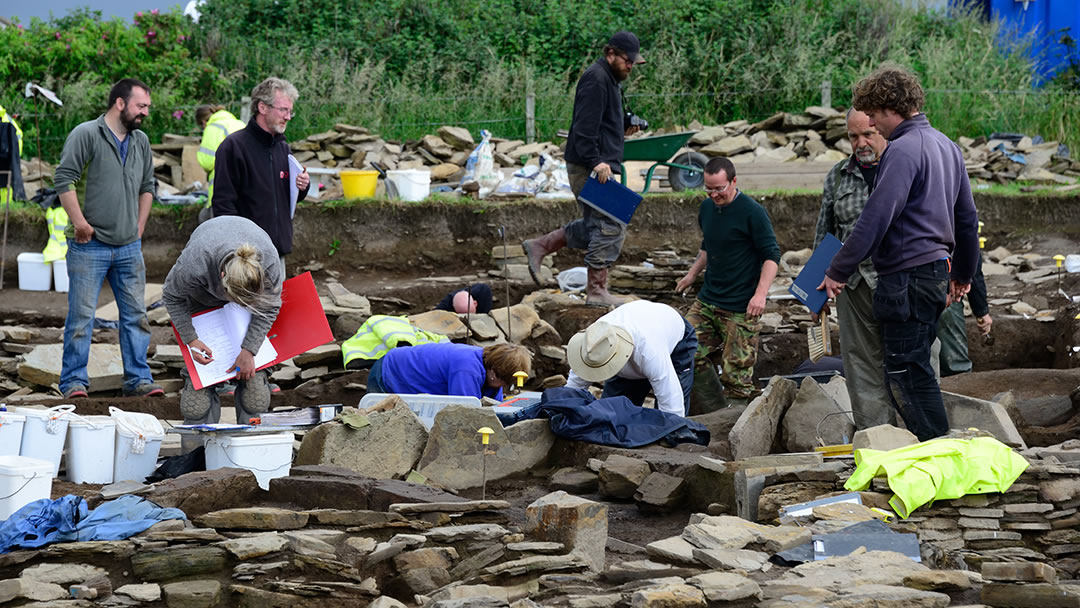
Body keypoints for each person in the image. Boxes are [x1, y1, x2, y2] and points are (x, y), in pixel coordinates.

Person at [820, 65, 979, 442]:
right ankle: (930, 445)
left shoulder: (904, 150)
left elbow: (876, 217)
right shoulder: (946, 146)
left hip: (905, 277)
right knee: (916, 365)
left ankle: (936, 447)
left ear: (890, 107)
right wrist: (963, 273)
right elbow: (967, 219)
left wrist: (838, 270)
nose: (873, 124)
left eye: (873, 116)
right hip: (935, 273)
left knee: (906, 369)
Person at [54, 78, 162, 399]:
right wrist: (80, 223)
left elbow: (148, 187)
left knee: (135, 317)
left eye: (147, 108)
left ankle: (138, 380)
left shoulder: (140, 141)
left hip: (128, 247)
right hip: (90, 246)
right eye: (140, 106)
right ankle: (73, 382)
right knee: (82, 317)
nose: (144, 113)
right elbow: (64, 179)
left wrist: (139, 227)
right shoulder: (86, 134)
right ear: (120, 103)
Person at [521, 31, 645, 306]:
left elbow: (600, 122)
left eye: (633, 62)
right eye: (627, 60)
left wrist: (622, 126)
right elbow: (583, 127)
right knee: (610, 223)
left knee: (600, 222)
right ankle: (597, 291)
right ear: (610, 53)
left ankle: (542, 245)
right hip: (589, 166)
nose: (631, 66)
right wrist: (596, 161)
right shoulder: (596, 79)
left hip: (596, 164)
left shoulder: (610, 79)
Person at [163, 216, 283, 452]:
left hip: (251, 311)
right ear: (222, 280)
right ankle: (195, 466)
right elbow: (171, 296)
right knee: (196, 403)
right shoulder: (196, 261)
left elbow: (270, 307)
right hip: (201, 302)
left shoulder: (268, 261)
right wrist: (192, 339)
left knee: (255, 395)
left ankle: (254, 460)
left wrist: (249, 350)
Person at [676, 157, 780, 407]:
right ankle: (714, 409)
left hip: (740, 306)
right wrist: (692, 274)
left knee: (736, 374)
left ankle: (737, 421)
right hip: (708, 300)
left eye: (719, 189)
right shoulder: (707, 209)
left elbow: (771, 256)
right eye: (708, 189)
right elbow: (708, 246)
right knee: (684, 350)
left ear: (733, 182)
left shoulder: (752, 212)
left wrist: (760, 294)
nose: (714, 195)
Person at [812, 108, 892, 429]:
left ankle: (917, 436)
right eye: (853, 136)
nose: (860, 143)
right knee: (859, 365)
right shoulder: (838, 175)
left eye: (867, 134)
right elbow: (825, 233)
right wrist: (814, 294)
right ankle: (877, 436)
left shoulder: (901, 168)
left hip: (896, 282)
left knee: (910, 359)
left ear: (883, 130)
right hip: (853, 286)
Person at [212, 77, 310, 265]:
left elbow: (287, 197)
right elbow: (223, 205)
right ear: (262, 108)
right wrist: (237, 253)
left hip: (278, 253)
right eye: (283, 110)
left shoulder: (282, 147)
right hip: (247, 257)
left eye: (290, 111)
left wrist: (302, 186)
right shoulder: (234, 147)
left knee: (278, 295)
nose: (288, 117)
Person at [565, 300, 697, 416]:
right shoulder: (594, 343)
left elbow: (672, 403)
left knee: (667, 424)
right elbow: (574, 387)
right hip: (639, 331)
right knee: (610, 414)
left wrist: (673, 432)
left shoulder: (649, 353)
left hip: (676, 340)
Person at [367, 342, 531, 401]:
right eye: (506, 382)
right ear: (495, 373)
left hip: (406, 371)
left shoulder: (489, 367)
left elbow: (494, 405)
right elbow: (465, 411)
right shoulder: (467, 369)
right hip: (388, 372)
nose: (505, 387)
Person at [937, 258, 991, 376]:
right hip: (944, 287)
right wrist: (981, 311)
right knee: (956, 368)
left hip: (901, 284)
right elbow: (971, 262)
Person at [194, 104, 245, 223]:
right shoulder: (239, 123)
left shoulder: (212, 127)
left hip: (222, 193)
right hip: (246, 192)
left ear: (204, 122)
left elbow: (207, 162)